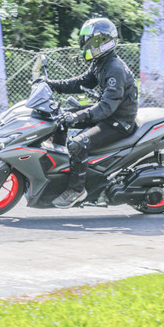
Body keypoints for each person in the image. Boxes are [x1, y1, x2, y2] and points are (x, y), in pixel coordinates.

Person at [42, 17, 138, 208]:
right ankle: (59, 172)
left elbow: (106, 108)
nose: (85, 45)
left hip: (118, 122)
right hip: (107, 113)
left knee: (78, 144)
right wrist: (50, 84)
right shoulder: (101, 62)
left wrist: (78, 116)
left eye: (89, 41)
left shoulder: (115, 69)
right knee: (59, 118)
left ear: (102, 42)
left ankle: (77, 189)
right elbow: (81, 82)